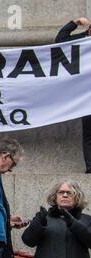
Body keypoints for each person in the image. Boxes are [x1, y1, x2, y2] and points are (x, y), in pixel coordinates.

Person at [22, 181, 91, 258]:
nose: (64, 195)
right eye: (61, 192)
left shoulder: (86, 220)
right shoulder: (44, 218)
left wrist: (73, 223)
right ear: (55, 196)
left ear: (77, 196)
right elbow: (28, 240)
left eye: (69, 193)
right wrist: (37, 223)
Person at [55, 17, 91, 174]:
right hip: (86, 97)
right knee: (89, 135)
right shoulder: (81, 40)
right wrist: (74, 23)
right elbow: (60, 40)